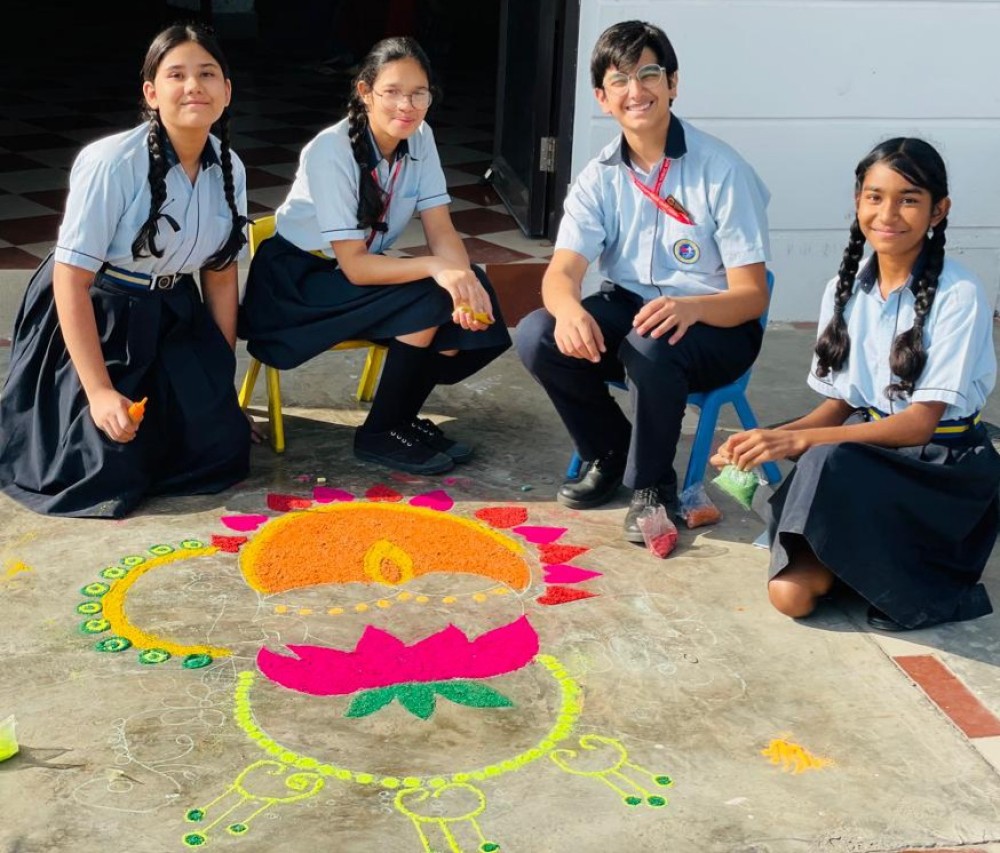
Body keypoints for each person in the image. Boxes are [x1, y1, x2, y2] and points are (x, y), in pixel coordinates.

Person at [711, 137, 1000, 632]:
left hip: (940, 472)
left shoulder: (960, 294)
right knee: (789, 596)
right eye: (875, 196)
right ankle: (860, 562)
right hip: (868, 461)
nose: (888, 214)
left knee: (826, 456)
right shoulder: (843, 291)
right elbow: (839, 406)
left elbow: (918, 426)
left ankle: (907, 570)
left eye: (909, 199)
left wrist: (801, 442)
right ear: (857, 201)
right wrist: (767, 439)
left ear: (938, 210)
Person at [514, 20, 771, 543]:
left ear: (672, 83)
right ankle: (609, 451)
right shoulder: (599, 176)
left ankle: (653, 486)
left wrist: (692, 308)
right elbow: (562, 271)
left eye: (649, 74)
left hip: (714, 323)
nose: (636, 90)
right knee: (537, 334)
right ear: (602, 98)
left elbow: (751, 296)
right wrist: (568, 310)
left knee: (650, 345)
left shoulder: (722, 170)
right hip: (632, 309)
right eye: (619, 79)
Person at [0, 23, 252, 519]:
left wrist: (219, 387)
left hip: (173, 311)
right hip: (102, 312)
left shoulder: (230, 167)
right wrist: (97, 393)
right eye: (176, 75)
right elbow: (71, 279)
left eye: (207, 74)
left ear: (226, 91)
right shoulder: (112, 162)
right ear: (151, 93)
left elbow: (220, 274)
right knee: (104, 469)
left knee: (222, 449)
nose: (193, 86)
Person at [239, 36, 511, 475]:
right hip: (296, 287)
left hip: (348, 278)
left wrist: (461, 280)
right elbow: (356, 266)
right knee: (430, 296)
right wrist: (438, 269)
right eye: (392, 92)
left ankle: (400, 417)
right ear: (365, 92)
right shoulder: (331, 151)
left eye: (419, 93)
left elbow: (441, 229)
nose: (407, 105)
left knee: (471, 283)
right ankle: (380, 432)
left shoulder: (420, 137)